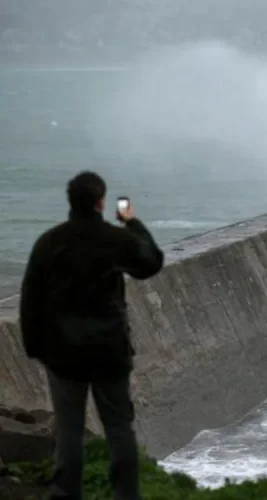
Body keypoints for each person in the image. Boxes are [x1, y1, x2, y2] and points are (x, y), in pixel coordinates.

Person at [19, 171, 164, 500]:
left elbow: (30, 299)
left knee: (69, 430)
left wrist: (35, 348)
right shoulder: (116, 239)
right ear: (101, 201)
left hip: (63, 353)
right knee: (118, 428)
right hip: (109, 351)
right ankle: (127, 495)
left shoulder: (50, 242)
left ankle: (66, 494)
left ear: (71, 200)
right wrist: (133, 223)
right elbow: (151, 263)